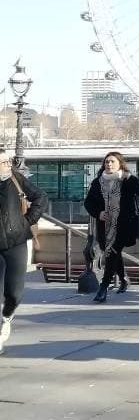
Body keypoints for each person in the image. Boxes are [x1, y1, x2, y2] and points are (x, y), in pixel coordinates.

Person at [0, 148, 47, 354]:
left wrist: (27, 222)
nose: (6, 165)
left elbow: (41, 197)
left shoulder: (17, 179)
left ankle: (6, 317)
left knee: (14, 293)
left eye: (7, 161)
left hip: (16, 242)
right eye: (1, 162)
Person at [84, 151, 139, 304]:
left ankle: (103, 287)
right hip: (104, 225)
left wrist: (130, 177)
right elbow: (88, 203)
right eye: (107, 162)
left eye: (112, 162)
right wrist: (98, 212)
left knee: (113, 251)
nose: (109, 164)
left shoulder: (127, 180)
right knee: (113, 252)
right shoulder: (97, 182)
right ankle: (123, 279)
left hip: (124, 224)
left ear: (120, 164)